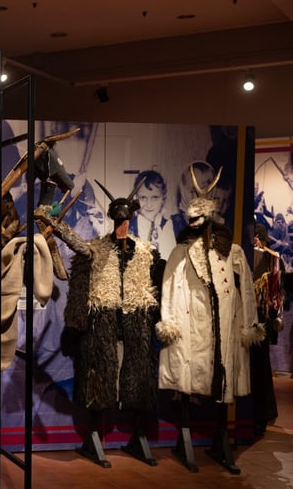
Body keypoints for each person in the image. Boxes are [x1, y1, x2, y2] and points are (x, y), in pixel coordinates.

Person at [38, 180, 164, 467]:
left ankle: (137, 435)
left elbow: (158, 285)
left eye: (125, 220)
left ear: (130, 219)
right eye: (118, 221)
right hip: (103, 321)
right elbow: (77, 246)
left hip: (135, 321)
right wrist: (56, 225)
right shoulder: (96, 249)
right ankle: (94, 435)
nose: (122, 225)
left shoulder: (146, 252)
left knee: (136, 377)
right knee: (100, 377)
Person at [157, 166, 262, 473]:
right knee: (190, 377)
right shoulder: (180, 253)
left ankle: (221, 439)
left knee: (222, 373)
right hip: (192, 325)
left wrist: (248, 324)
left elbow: (246, 290)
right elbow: (169, 289)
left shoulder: (233, 253)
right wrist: (170, 321)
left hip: (224, 324)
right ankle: (186, 436)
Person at [251, 224, 285, 437]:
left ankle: (261, 415)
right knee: (259, 368)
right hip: (254, 319)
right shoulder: (268, 259)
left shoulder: (272, 259)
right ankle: (260, 415)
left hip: (260, 319)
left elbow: (277, 294)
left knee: (260, 367)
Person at [129, 170, 182, 258]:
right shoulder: (128, 228)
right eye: (143, 198)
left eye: (155, 197)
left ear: (163, 199)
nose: (149, 204)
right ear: (135, 199)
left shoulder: (174, 226)